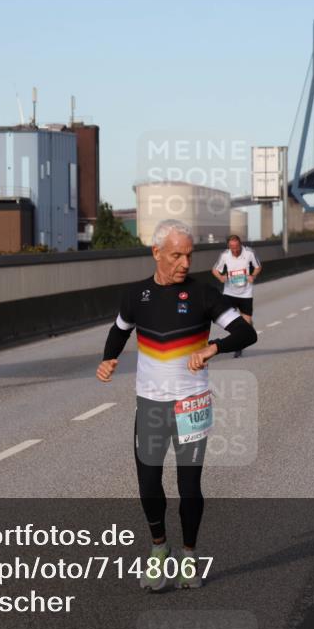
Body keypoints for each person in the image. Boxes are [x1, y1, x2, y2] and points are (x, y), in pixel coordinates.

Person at [97, 219, 257, 591]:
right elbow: (120, 329)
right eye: (176, 255)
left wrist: (212, 348)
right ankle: (158, 550)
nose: (185, 263)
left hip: (191, 405)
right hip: (151, 405)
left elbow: (246, 332)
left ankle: (188, 556)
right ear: (156, 253)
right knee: (149, 484)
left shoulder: (204, 294)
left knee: (189, 486)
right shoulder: (136, 295)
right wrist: (109, 358)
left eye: (189, 255)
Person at [212, 235, 262, 358]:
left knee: (247, 323)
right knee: (232, 322)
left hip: (246, 293)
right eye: (232, 247)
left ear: (241, 244)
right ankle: (237, 346)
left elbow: (258, 266)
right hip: (230, 292)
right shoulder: (224, 255)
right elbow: (214, 270)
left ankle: (240, 343)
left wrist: (253, 276)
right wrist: (221, 277)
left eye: (237, 247)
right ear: (228, 247)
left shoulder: (249, 252)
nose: (235, 250)